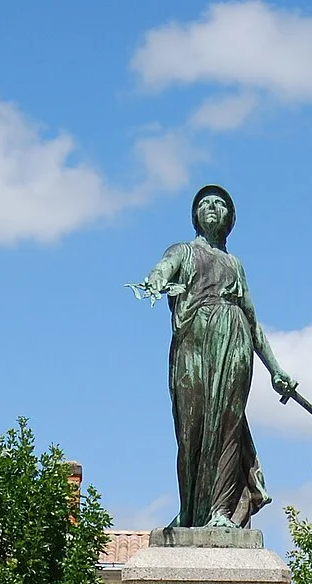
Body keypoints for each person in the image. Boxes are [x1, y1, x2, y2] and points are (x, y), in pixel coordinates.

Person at [130, 184, 298, 529]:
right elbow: (163, 269)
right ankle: (191, 511)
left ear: (230, 218)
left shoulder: (235, 265)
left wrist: (275, 369)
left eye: (220, 204)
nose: (211, 207)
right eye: (205, 203)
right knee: (189, 429)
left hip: (232, 338)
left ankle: (221, 511)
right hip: (193, 343)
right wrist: (155, 282)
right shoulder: (183, 251)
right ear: (195, 216)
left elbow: (252, 320)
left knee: (226, 426)